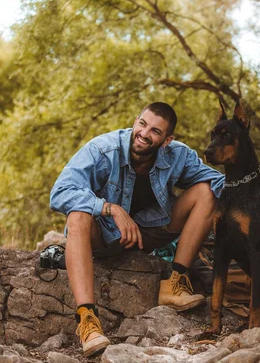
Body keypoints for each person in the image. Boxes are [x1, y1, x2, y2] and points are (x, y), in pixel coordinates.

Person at [50, 102, 224, 357]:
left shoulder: (179, 155)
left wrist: (251, 195)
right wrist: (111, 209)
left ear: (166, 140)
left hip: (151, 231)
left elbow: (219, 182)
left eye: (155, 131)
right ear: (135, 121)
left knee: (207, 192)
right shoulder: (102, 150)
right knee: (77, 215)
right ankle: (88, 322)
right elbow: (60, 193)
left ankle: (173, 283)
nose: (144, 133)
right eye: (142, 124)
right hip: (105, 236)